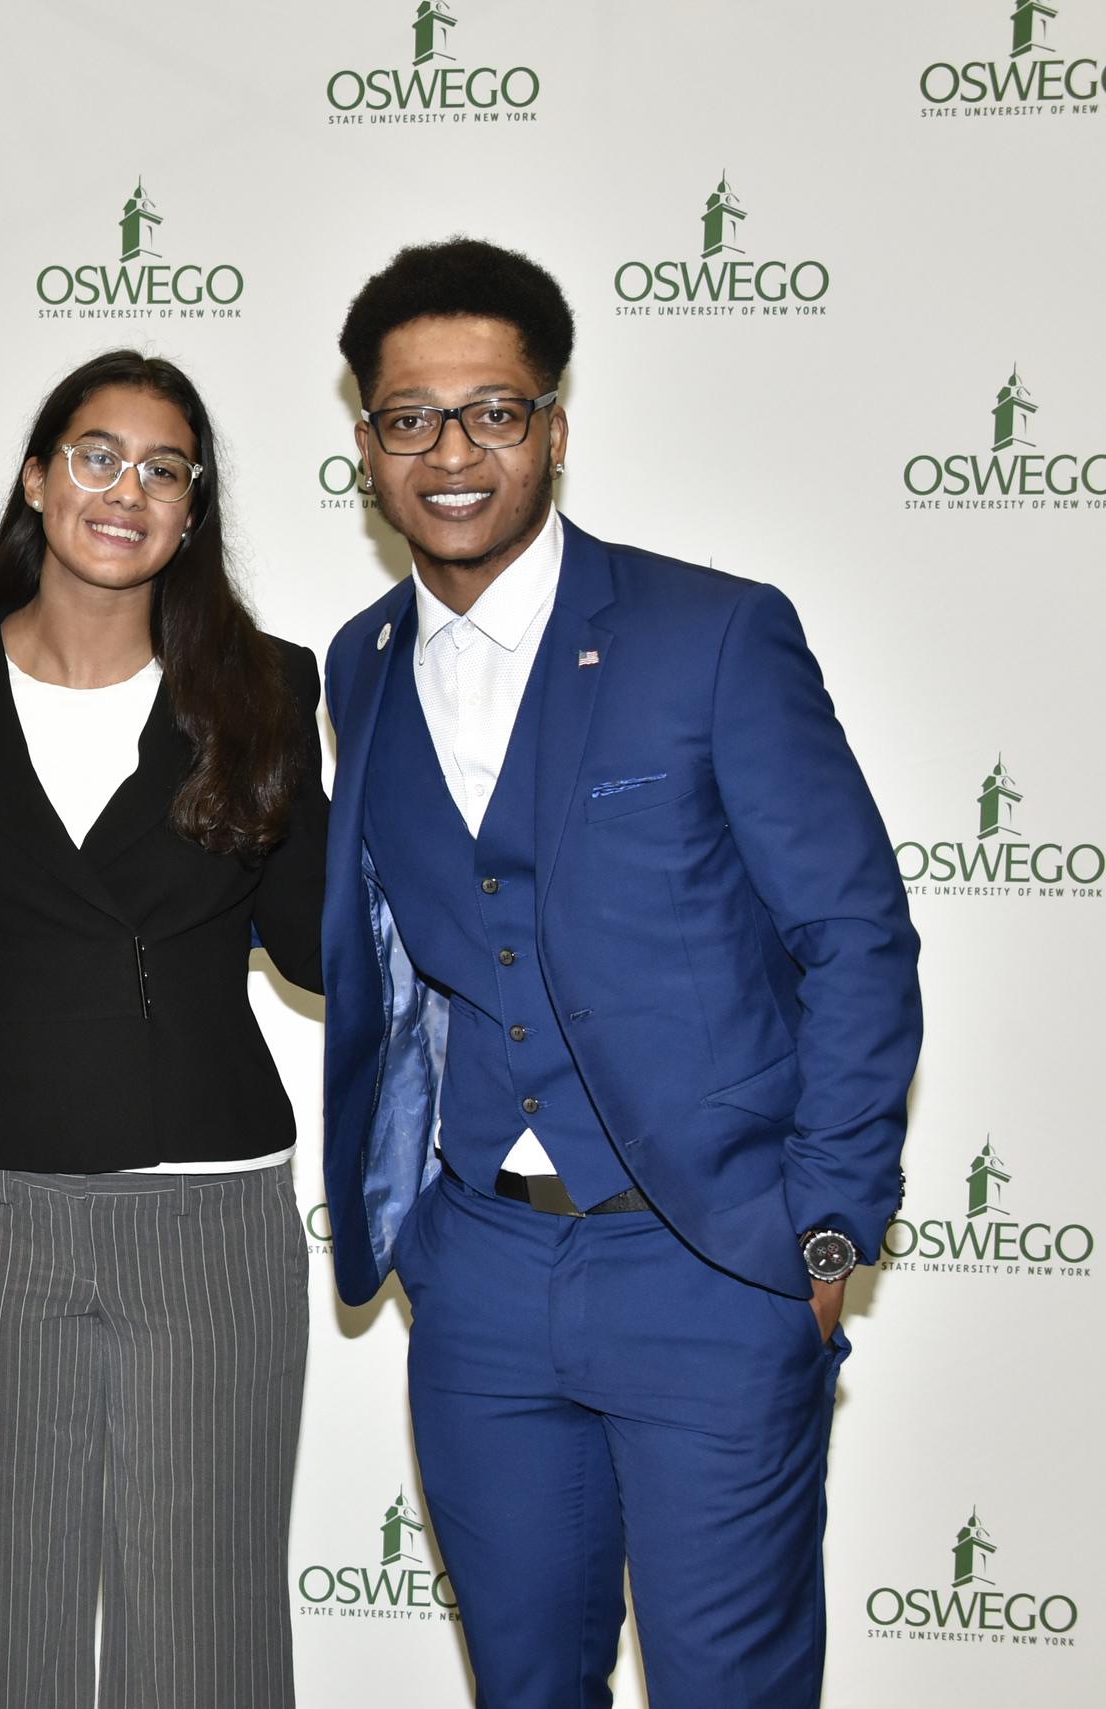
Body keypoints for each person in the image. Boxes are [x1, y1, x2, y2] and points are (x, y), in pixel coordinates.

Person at [317, 238, 921, 1708]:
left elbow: (855, 935)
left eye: (493, 412)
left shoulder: (709, 634)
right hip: (482, 1274)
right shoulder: (361, 661)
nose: (452, 453)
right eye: (410, 418)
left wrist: (823, 1236)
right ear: (368, 447)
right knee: (526, 1686)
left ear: (554, 430)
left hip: (712, 1262)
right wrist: (423, 1240)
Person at [0, 351, 327, 1709]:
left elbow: (313, 945)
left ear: (193, 510)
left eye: (165, 468)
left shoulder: (268, 684)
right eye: (95, 452)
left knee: (207, 1637)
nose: (126, 488)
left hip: (212, 1206)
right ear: (36, 475)